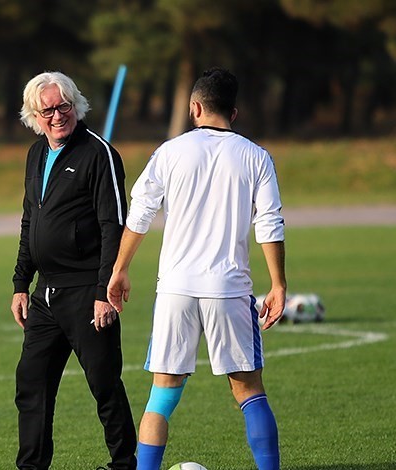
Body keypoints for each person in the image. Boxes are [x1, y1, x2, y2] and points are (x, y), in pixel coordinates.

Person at [107, 67, 285, 470]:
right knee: (249, 390)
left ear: (195, 107)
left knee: (162, 394)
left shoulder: (169, 152)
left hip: (175, 289)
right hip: (229, 288)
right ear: (234, 113)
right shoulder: (256, 156)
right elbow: (269, 222)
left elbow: (140, 213)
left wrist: (120, 268)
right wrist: (278, 283)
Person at [11, 71, 137, 470]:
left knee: (104, 384)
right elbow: (30, 220)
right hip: (45, 295)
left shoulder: (98, 153)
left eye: (63, 105)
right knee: (31, 384)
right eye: (46, 109)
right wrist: (20, 283)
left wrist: (105, 291)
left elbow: (114, 225)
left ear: (76, 105)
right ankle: (31, 467)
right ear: (34, 115)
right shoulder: (35, 153)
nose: (56, 115)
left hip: (87, 292)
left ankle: (123, 464)